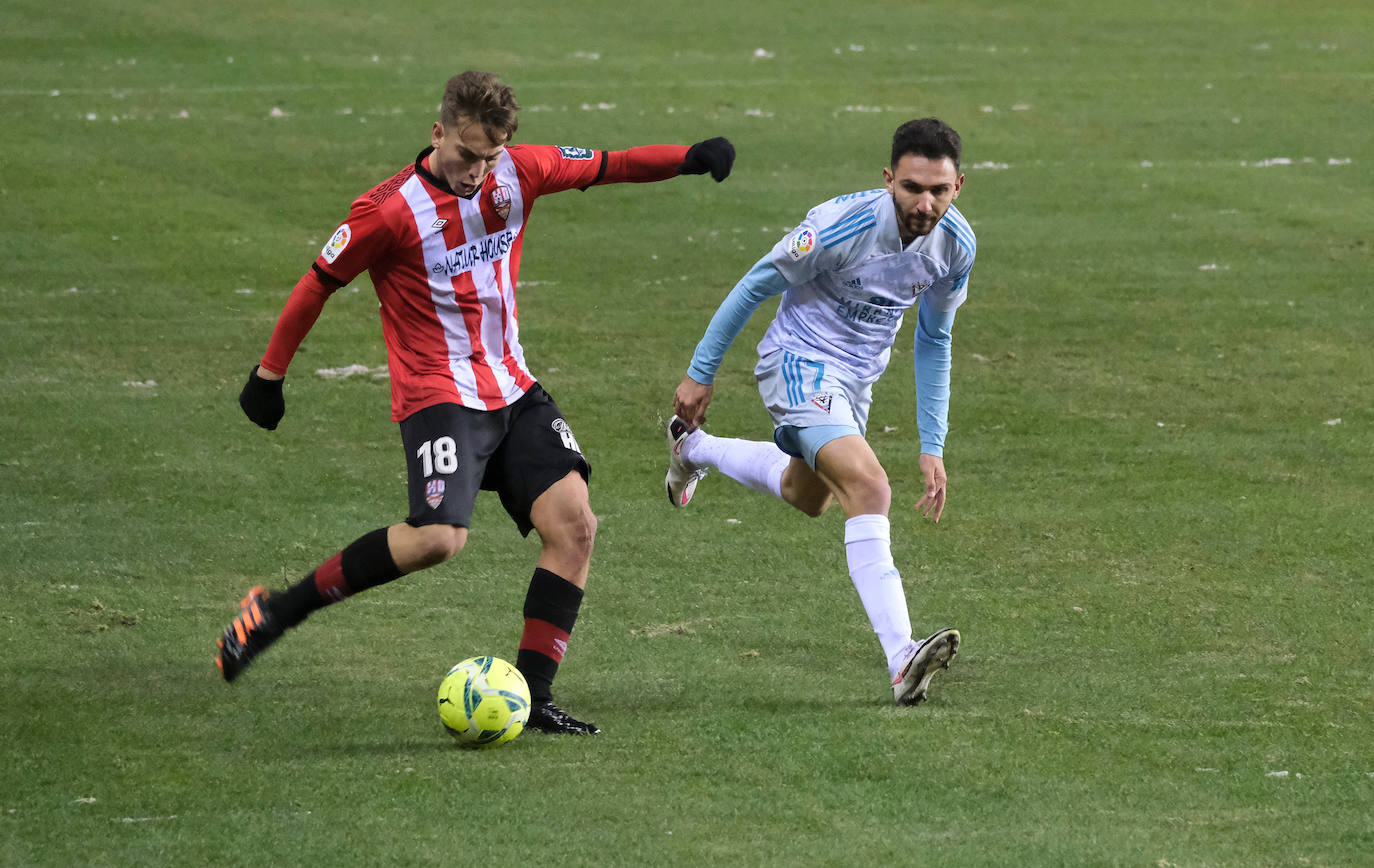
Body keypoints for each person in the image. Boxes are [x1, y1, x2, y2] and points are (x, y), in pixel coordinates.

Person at [217, 70, 735, 735]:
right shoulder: (388, 210)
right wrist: (269, 375)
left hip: (513, 389)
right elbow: (317, 284)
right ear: (438, 134)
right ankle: (277, 610)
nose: (475, 172)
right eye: (465, 155)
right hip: (439, 397)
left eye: (488, 157)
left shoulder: (519, 172)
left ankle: (535, 695)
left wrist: (689, 158)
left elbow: (611, 165)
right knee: (437, 538)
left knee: (575, 524)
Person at [665, 117, 972, 706]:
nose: (924, 202)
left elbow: (935, 340)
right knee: (870, 486)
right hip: (797, 362)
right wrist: (700, 373)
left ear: (959, 186)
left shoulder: (955, 246)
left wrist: (932, 443)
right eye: (911, 187)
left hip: (854, 383)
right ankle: (901, 655)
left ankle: (693, 449)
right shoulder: (841, 225)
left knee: (809, 496)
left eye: (938, 189)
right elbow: (756, 283)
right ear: (889, 180)